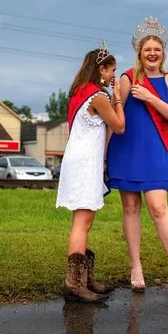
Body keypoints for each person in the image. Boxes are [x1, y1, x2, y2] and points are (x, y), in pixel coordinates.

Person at [106, 16, 168, 300]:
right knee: (130, 208)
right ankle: (136, 267)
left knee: (158, 208)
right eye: (147, 49)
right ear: (139, 52)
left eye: (157, 49)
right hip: (126, 148)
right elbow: (115, 117)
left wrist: (151, 98)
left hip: (154, 150)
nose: (152, 53)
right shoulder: (128, 78)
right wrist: (103, 155)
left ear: (163, 52)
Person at [56, 41, 125, 303]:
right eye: (111, 71)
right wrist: (117, 97)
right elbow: (118, 126)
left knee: (84, 221)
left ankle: (83, 280)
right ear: (100, 69)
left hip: (80, 160)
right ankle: (74, 285)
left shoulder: (79, 92)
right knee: (82, 223)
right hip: (85, 163)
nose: (113, 76)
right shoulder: (98, 95)